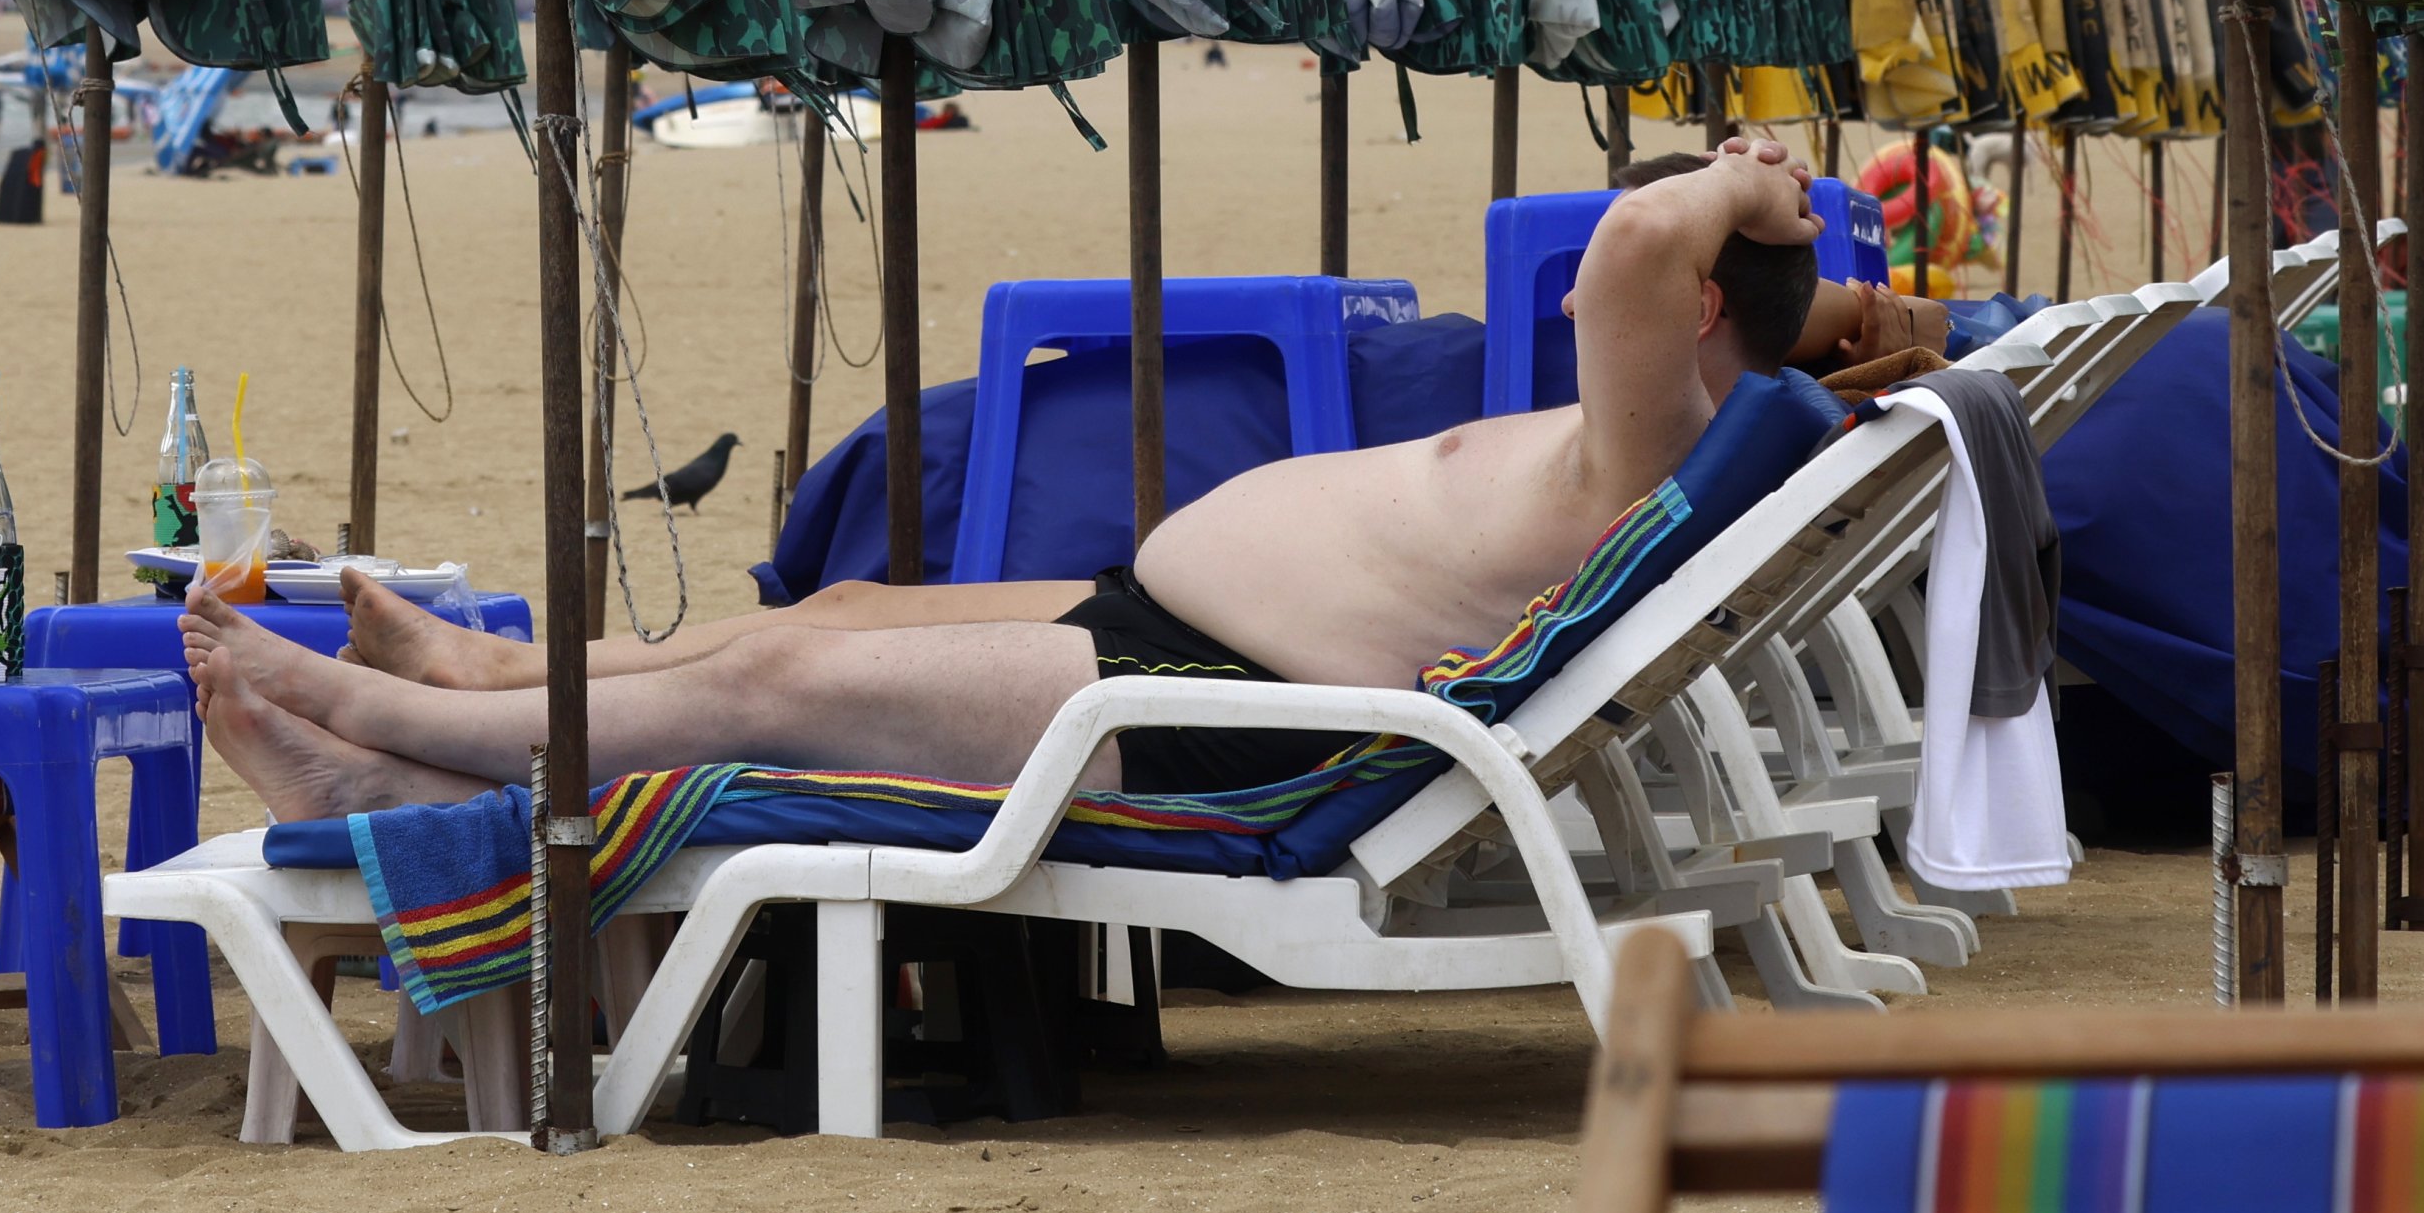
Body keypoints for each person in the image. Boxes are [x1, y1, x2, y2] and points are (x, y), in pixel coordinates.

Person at [189, 139, 1839, 821]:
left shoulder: (1656, 440)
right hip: (1175, 639)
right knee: (837, 604)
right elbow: (1696, 284)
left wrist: (1743, 184)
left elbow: (1629, 241)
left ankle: (392, 751)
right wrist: (1790, 248)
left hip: (1235, 710)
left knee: (772, 675)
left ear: (1693, 303)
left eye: (1611, 295)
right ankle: (486, 674)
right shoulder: (1693, 410)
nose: (1564, 305)